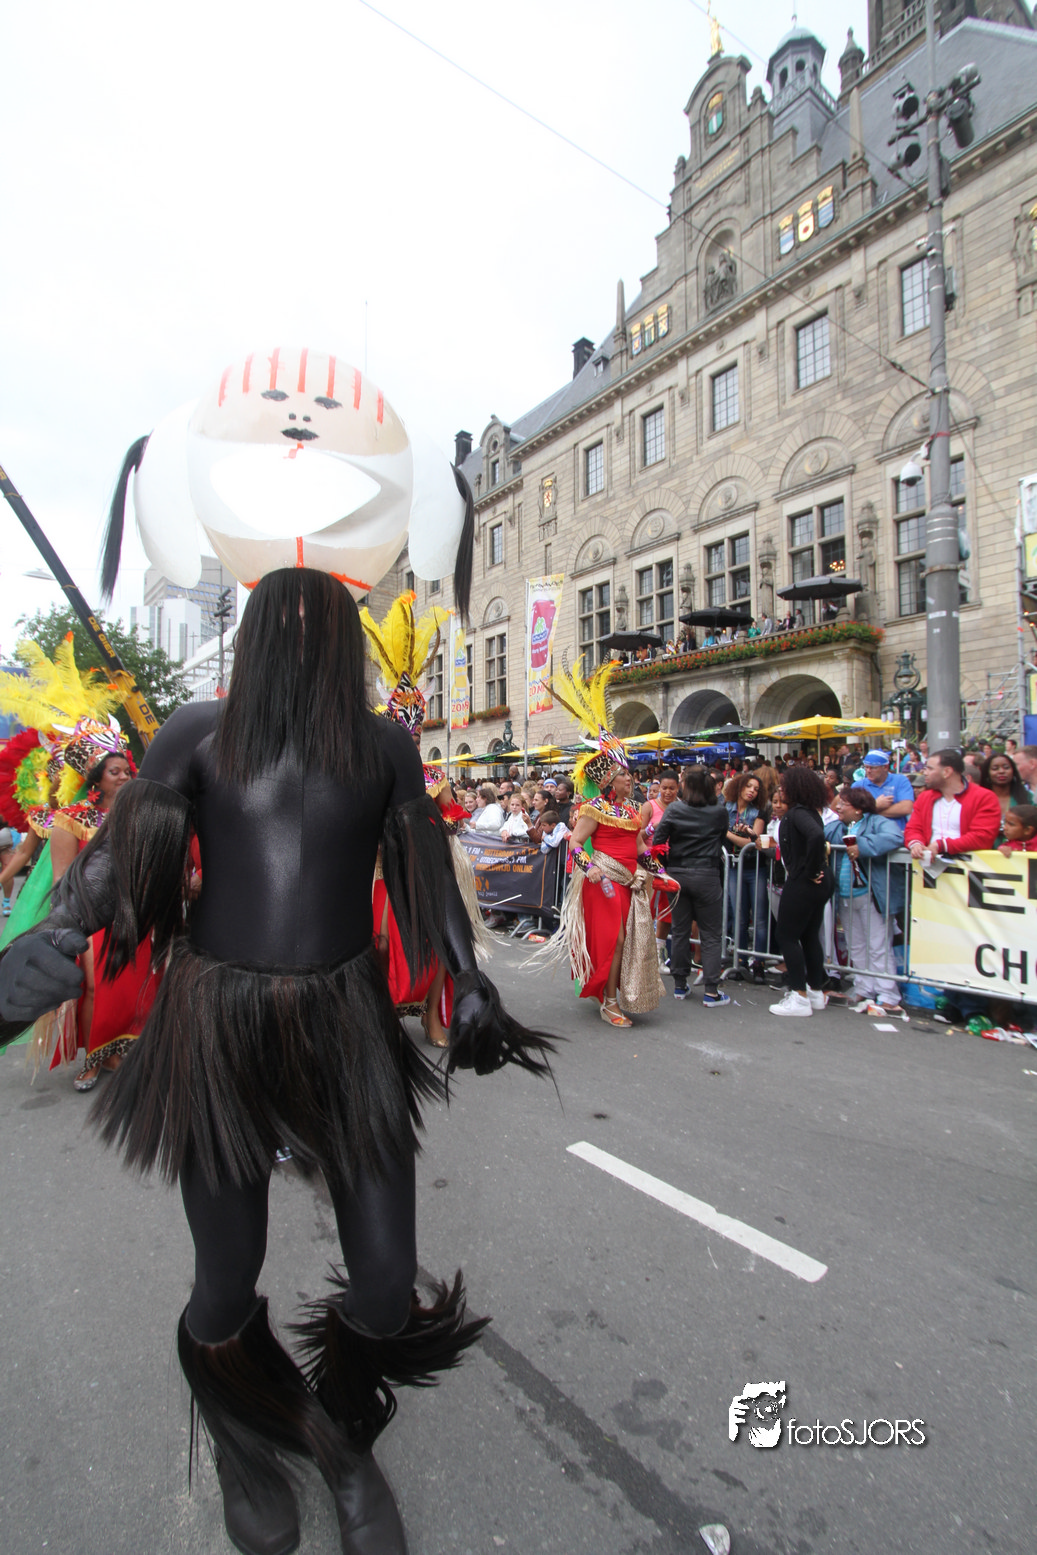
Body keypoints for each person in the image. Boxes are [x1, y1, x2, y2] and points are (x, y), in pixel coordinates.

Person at [0, 569, 554, 1555]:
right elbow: (119, 865)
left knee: (384, 1283)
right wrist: (48, 941)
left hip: (347, 1024)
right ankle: (242, 1432)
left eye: (318, 617)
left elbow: (423, 874)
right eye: (281, 615)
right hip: (218, 1027)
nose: (300, 633)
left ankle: (343, 1438)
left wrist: (467, 976)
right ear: (254, 634)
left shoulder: (382, 747)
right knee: (225, 1279)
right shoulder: (194, 733)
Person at [546, 658, 674, 1028]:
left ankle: (616, 993)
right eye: (623, 775)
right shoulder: (593, 808)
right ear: (608, 781)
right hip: (603, 880)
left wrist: (661, 873)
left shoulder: (634, 809)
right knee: (614, 940)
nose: (630, 780)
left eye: (629, 775)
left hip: (631, 879)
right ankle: (610, 1001)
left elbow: (640, 848)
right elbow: (575, 843)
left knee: (629, 939)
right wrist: (590, 868)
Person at [44, 739, 162, 1091]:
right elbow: (62, 878)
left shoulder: (139, 815)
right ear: (96, 778)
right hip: (91, 917)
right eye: (115, 772)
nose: (124, 777)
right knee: (94, 986)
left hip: (134, 913)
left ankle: (117, 1051)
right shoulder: (71, 819)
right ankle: (91, 1058)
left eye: (127, 771)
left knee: (131, 985)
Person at [652, 765, 729, 1006]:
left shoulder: (675, 809)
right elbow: (721, 838)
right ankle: (711, 991)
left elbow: (658, 841)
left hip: (678, 874)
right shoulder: (719, 812)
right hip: (707, 873)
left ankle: (680, 985)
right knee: (710, 933)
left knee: (680, 929)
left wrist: (666, 867)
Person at [768, 766, 835, 1017]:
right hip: (818, 880)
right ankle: (814, 990)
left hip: (805, 881)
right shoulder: (810, 812)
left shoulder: (797, 814)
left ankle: (799, 995)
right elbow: (816, 837)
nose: (782, 790)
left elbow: (816, 837)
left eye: (785, 785)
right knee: (808, 935)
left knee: (786, 935)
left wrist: (809, 869)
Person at [833, 786, 905, 1014]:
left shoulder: (877, 822)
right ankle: (864, 987)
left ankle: (888, 994)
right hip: (846, 895)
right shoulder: (839, 826)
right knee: (855, 945)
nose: (838, 807)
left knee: (878, 945)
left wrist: (862, 846)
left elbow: (895, 837)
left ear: (858, 808)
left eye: (843, 804)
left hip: (870, 894)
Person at [904, 749, 1002, 858]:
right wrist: (916, 843)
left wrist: (942, 845)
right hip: (928, 866)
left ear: (947, 772)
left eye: (930, 769)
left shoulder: (984, 797)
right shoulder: (924, 798)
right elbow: (913, 828)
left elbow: (982, 837)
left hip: (968, 866)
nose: (925, 773)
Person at [723, 771, 768, 981]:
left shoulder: (759, 812)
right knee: (738, 915)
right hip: (733, 867)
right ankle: (739, 962)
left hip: (755, 867)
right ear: (739, 786)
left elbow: (752, 843)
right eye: (749, 786)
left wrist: (726, 833)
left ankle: (759, 964)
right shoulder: (726, 808)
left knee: (759, 917)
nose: (752, 791)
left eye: (756, 789)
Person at [856, 750, 914, 833]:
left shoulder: (900, 780)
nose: (868, 771)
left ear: (885, 767)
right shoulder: (858, 785)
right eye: (866, 767)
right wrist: (875, 805)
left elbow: (906, 808)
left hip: (897, 834)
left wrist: (869, 811)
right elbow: (854, 813)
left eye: (873, 768)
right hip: (869, 835)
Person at [978, 751, 1030, 837]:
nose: (1001, 771)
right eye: (995, 768)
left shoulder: (1028, 797)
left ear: (1013, 771)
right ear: (987, 773)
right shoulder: (978, 798)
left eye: (1006, 767)